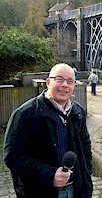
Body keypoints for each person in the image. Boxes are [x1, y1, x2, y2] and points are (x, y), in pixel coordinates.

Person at [3, 63, 93, 198]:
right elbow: (13, 157)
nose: (64, 85)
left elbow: (85, 146)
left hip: (76, 189)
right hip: (41, 191)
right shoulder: (26, 114)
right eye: (59, 79)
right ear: (48, 82)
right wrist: (50, 175)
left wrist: (86, 174)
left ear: (74, 86)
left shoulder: (78, 112)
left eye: (70, 81)